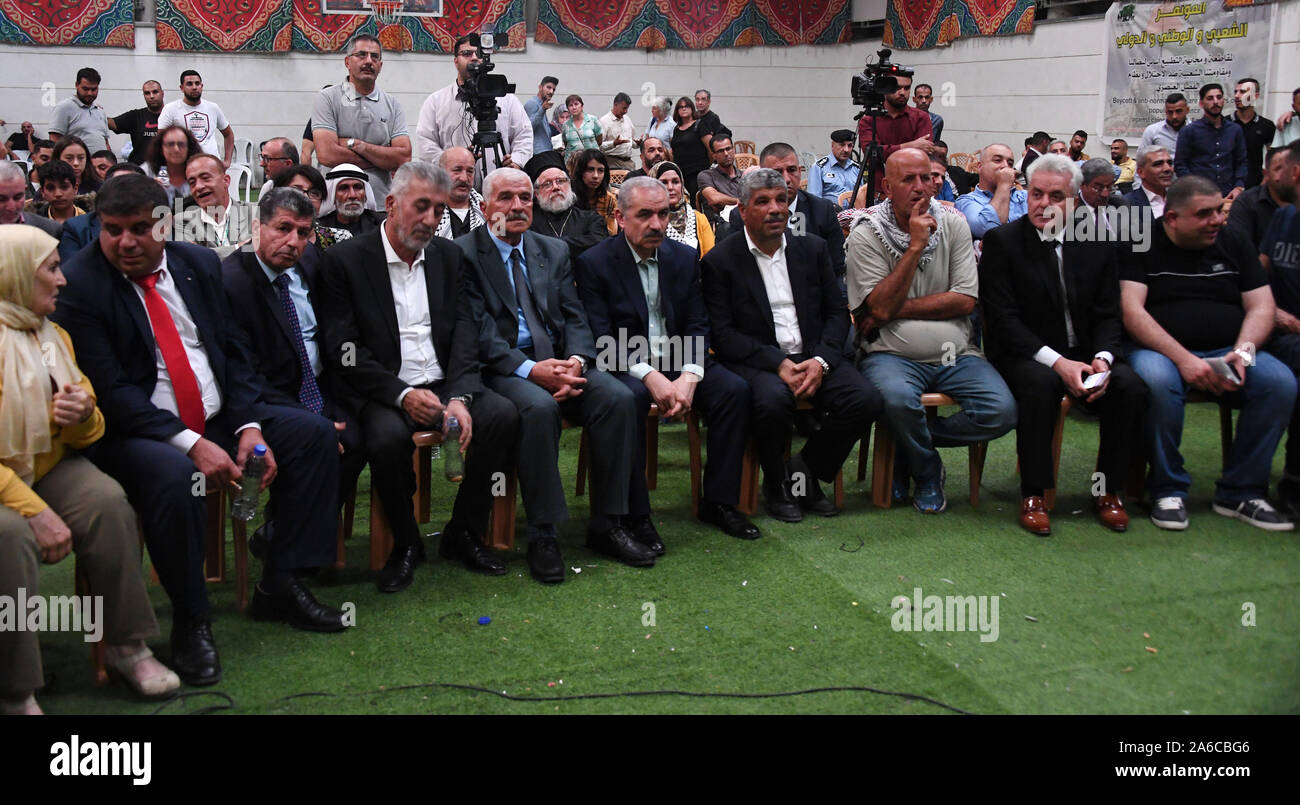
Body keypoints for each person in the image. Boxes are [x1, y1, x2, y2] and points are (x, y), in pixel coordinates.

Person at [53, 174, 351, 687]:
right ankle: (192, 622)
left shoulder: (196, 264)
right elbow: (112, 390)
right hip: (136, 431)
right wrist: (193, 445)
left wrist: (250, 425)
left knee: (313, 435)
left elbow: (232, 351)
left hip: (216, 411)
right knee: (175, 479)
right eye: (113, 229)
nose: (126, 242)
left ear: (165, 225)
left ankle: (281, 582)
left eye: (141, 229)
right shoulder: (80, 284)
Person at [0, 225, 180, 714]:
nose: (62, 281)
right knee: (10, 537)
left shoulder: (52, 334)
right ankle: (16, 690)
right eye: (51, 269)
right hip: (5, 483)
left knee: (106, 502)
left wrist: (82, 415)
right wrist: (34, 511)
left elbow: (89, 430)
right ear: (14, 276)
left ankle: (128, 647)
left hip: (46, 466)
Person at [319, 162, 518, 590]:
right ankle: (407, 541)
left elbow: (465, 331)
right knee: (387, 439)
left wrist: (461, 397)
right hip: (384, 387)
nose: (430, 220)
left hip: (446, 381)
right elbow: (343, 350)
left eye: (439, 211)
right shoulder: (345, 261)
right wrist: (402, 394)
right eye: (421, 207)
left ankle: (462, 531)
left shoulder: (449, 256)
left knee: (501, 415)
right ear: (391, 204)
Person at [457, 167, 647, 582]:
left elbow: (575, 317)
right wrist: (530, 369)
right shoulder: (464, 254)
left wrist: (576, 362)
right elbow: (477, 332)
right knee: (539, 409)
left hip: (561, 362)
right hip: (504, 367)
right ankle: (544, 534)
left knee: (619, 398)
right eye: (506, 198)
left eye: (525, 197)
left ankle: (608, 524)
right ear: (485, 206)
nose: (518, 206)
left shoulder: (551, 249)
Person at [576, 177, 760, 540]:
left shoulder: (684, 256)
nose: (657, 224)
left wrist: (689, 377)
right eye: (644, 215)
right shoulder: (594, 262)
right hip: (624, 360)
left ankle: (719, 502)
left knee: (733, 391)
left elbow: (697, 321)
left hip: (678, 358)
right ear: (620, 217)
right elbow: (602, 337)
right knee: (630, 398)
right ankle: (635, 515)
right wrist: (650, 376)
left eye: (664, 214)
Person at [979, 155, 1147, 535]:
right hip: (1027, 352)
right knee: (1040, 387)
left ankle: (1108, 491)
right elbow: (1004, 321)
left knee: (1130, 387)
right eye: (1036, 194)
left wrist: (1103, 358)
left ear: (1073, 201)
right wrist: (1058, 363)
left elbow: (1109, 313)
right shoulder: (1003, 242)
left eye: (1056, 196)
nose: (1044, 204)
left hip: (1087, 353)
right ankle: (1033, 494)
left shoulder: (1096, 243)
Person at [704, 168, 881, 521]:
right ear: (742, 210)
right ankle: (776, 484)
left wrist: (820, 362)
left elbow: (836, 313)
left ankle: (803, 471)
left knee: (866, 400)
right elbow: (722, 334)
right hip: (760, 360)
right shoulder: (721, 261)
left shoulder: (811, 250)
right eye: (763, 202)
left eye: (781, 200)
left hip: (815, 354)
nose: (775, 209)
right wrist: (777, 363)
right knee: (771, 401)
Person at [1120, 175, 1295, 531]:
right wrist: (1184, 359)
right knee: (1157, 381)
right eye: (1204, 214)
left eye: (1219, 211)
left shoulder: (1233, 241)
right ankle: (1167, 489)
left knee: (1280, 383)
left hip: (1229, 349)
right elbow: (1132, 311)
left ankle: (1241, 491)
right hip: (1160, 350)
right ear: (1171, 218)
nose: (1216, 220)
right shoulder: (1140, 243)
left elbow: (1262, 307)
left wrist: (1243, 354)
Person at [848, 148, 1016, 514]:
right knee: (894, 400)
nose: (921, 187)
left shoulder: (954, 224)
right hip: (890, 355)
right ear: (887, 186)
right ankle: (926, 470)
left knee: (1001, 410)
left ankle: (909, 449)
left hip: (956, 353)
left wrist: (891, 309)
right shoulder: (867, 232)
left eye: (927, 178)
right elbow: (874, 310)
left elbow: (964, 301)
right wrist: (915, 247)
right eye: (908, 179)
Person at [221, 189, 365, 543]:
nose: (292, 241)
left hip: (319, 386)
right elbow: (241, 372)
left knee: (362, 437)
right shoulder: (231, 283)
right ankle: (294, 541)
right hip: (266, 400)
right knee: (317, 441)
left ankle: (282, 531)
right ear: (257, 228)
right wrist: (311, 419)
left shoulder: (311, 263)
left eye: (302, 232)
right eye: (282, 228)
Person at [415, 34, 532, 181]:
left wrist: (516, 160)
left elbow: (524, 135)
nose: (474, 57)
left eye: (479, 54)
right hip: (454, 188)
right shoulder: (436, 102)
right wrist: (450, 163)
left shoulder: (507, 99)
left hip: (501, 186)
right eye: (467, 54)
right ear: (456, 61)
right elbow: (426, 143)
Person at [312, 34, 411, 201]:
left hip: (379, 204)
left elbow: (403, 158)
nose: (368, 61)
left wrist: (357, 145)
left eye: (374, 57)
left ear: (380, 65)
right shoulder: (327, 98)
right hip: (335, 204)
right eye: (361, 55)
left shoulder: (393, 105)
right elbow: (327, 154)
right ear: (347, 62)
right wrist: (381, 159)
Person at [727, 143, 845, 278]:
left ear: (800, 172)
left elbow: (836, 266)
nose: (787, 179)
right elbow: (734, 267)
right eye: (777, 173)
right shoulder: (743, 215)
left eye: (792, 170)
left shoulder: (822, 210)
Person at [1259, 159, 1300, 516]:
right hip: (1272, 336)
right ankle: (1294, 479)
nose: (1272, 176)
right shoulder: (1285, 217)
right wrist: (1269, 311)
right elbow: (1256, 277)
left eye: (1280, 168)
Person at [857, 71, 933, 198]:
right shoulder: (869, 120)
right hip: (879, 194)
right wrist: (912, 146)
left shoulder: (921, 117)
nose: (902, 92)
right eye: (897, 87)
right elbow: (872, 155)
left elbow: (923, 156)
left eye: (907, 88)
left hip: (913, 192)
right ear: (885, 88)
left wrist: (886, 150)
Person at [525, 153, 608, 260]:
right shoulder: (529, 224)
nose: (555, 187)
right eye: (547, 184)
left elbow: (600, 243)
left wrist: (548, 245)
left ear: (569, 185)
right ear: (536, 193)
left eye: (560, 181)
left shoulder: (591, 219)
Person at [57, 163, 145, 262]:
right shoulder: (77, 228)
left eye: (133, 187)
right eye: (120, 187)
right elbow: (70, 272)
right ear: (106, 190)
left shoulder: (156, 226)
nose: (126, 193)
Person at [1175, 83, 1246, 200]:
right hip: (1198, 196)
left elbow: (1241, 161)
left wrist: (1239, 186)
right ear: (1201, 103)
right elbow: (1180, 165)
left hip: (1228, 195)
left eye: (1219, 97)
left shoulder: (1235, 130)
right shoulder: (1189, 131)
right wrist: (1193, 188)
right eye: (1210, 98)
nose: (1215, 102)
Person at [175, 154, 254, 258]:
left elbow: (259, 253)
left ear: (226, 181)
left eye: (205, 178)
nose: (198, 186)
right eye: (192, 183)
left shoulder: (254, 213)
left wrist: (207, 253)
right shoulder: (183, 221)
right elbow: (193, 258)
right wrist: (238, 247)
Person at [1228, 144, 1300, 250]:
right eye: (1278, 169)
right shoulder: (1247, 202)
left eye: (1286, 170)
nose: (1282, 175)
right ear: (1266, 174)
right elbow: (1240, 252)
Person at [156, 70, 234, 166]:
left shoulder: (213, 108)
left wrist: (227, 161)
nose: (194, 87)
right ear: (182, 88)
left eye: (197, 84)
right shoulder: (170, 109)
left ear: (202, 86)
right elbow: (160, 140)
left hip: (212, 165)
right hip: (185, 167)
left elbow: (228, 134)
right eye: (189, 84)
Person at [270, 164, 352, 251]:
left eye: (314, 193)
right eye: (296, 190)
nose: (306, 198)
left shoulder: (339, 239)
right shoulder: (265, 237)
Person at [954, 143, 1027, 239]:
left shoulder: (1023, 196)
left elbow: (1049, 230)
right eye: (997, 160)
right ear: (980, 167)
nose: (1005, 166)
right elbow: (990, 231)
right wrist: (1004, 185)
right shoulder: (966, 201)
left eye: (1010, 163)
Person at [652, 161, 713, 259]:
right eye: (663, 183)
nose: (670, 187)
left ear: (682, 185)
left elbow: (711, 258)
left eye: (675, 182)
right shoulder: (648, 222)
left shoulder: (699, 219)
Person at [48, 67, 111, 153]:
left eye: (94, 89)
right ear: (76, 85)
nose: (90, 93)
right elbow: (54, 141)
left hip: (99, 165)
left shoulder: (100, 111)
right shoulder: (64, 107)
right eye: (85, 89)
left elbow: (106, 143)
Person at [318, 163, 385, 236]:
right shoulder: (320, 228)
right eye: (344, 188)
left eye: (358, 187)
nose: (352, 195)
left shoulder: (382, 224)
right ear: (333, 195)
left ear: (365, 194)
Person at [1231, 78, 1274, 190]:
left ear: (1255, 95)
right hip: (1228, 187)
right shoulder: (1225, 123)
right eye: (1236, 92)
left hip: (1255, 187)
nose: (1237, 96)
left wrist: (1266, 181)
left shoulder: (1266, 125)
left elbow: (1273, 158)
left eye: (1243, 92)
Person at [109, 80, 165, 166]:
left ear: (162, 93)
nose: (151, 96)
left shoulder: (172, 114)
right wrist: (97, 112)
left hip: (165, 170)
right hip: (139, 170)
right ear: (144, 96)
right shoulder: (136, 116)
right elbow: (112, 123)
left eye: (155, 92)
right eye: (147, 93)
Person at [0, 162, 61, 240]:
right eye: (1, 199)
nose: (11, 207)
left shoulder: (50, 230)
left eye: (18, 197)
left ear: (25, 189)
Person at [434, 147, 485, 239]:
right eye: (457, 170)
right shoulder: (424, 214)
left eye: (470, 171)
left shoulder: (490, 211)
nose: (464, 178)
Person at [144, 124, 202, 204]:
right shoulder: (146, 172)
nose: (176, 149)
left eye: (181, 144)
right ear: (161, 148)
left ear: (189, 148)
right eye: (170, 144)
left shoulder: (201, 170)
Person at [670, 97, 710, 205]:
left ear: (692, 108)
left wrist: (708, 167)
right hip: (681, 173)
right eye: (680, 107)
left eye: (686, 106)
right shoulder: (676, 128)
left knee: (694, 202)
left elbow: (711, 147)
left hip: (697, 172)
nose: (683, 109)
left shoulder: (700, 125)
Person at [807, 129, 861, 208]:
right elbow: (814, 200)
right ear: (832, 145)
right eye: (842, 145)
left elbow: (861, 197)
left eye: (849, 146)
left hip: (854, 216)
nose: (846, 150)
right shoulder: (819, 167)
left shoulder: (856, 168)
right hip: (830, 216)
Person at [572, 148, 618, 235]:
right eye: (590, 170)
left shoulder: (609, 200)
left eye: (600, 170)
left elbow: (610, 234)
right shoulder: (570, 198)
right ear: (581, 171)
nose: (595, 176)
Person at [697, 131, 742, 215]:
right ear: (714, 155)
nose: (726, 154)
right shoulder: (707, 175)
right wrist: (741, 202)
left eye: (728, 149)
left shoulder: (744, 176)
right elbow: (714, 199)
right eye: (720, 151)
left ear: (734, 150)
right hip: (721, 223)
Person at [1125, 145, 1175, 216]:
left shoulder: (1182, 200)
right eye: (1158, 164)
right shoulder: (1127, 205)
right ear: (1141, 172)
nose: (1167, 168)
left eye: (1170, 163)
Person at [598, 93, 637, 171]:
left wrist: (637, 144)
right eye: (624, 108)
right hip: (611, 162)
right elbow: (598, 146)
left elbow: (630, 141)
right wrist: (613, 143)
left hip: (628, 162)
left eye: (627, 108)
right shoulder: (604, 121)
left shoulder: (627, 119)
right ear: (615, 105)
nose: (626, 111)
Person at [523, 76, 560, 156]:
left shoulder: (542, 104)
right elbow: (528, 129)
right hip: (538, 154)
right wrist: (542, 109)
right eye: (549, 87)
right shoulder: (532, 103)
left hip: (547, 152)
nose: (551, 92)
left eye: (553, 89)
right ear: (540, 87)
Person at [560, 94, 603, 160]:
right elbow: (566, 143)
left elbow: (599, 140)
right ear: (568, 109)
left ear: (582, 106)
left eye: (576, 104)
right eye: (571, 105)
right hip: (572, 163)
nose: (574, 107)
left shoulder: (592, 120)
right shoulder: (565, 125)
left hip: (591, 160)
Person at [693, 89, 724, 154]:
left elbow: (717, 140)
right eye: (697, 99)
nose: (700, 102)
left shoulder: (713, 118)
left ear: (709, 102)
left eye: (703, 99)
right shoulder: (692, 116)